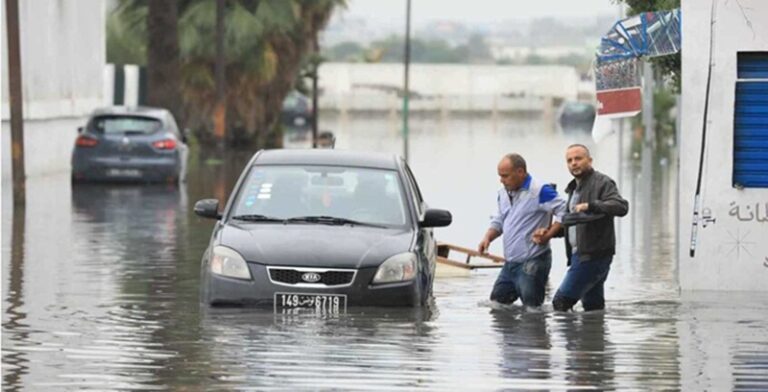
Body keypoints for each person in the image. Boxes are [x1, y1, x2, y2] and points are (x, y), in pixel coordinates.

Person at [479, 153, 566, 307]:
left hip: (533, 261)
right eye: (500, 176)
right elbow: (499, 219)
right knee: (497, 305)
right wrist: (488, 238)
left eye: (505, 176)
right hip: (510, 263)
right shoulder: (503, 193)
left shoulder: (539, 190)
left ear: (520, 172)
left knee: (533, 311)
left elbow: (564, 211)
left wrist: (548, 234)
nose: (501, 180)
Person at [550, 144, 628, 312]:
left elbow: (621, 207)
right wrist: (550, 233)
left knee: (560, 303)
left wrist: (591, 205)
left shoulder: (602, 182)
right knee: (593, 308)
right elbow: (574, 224)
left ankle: (569, 338)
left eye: (578, 159)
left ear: (590, 160)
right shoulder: (573, 188)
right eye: (569, 160)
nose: (574, 163)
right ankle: (592, 337)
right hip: (580, 254)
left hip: (592, 257)